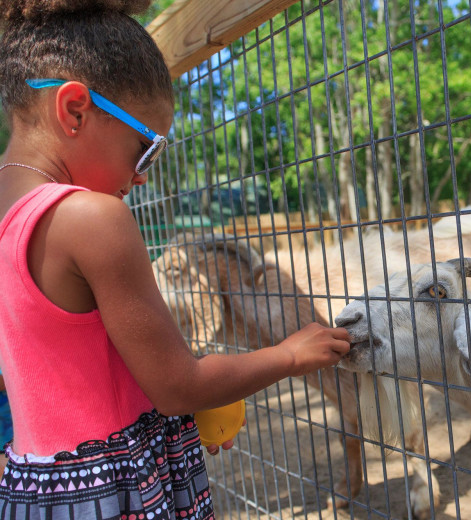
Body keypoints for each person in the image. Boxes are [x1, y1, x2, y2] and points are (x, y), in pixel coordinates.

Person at [0, 1, 351, 518]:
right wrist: (292, 354)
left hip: (36, 487)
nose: (142, 176)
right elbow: (176, 386)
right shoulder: (92, 218)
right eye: (145, 148)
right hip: (113, 487)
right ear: (74, 110)